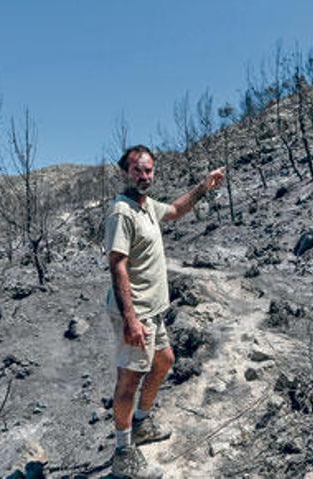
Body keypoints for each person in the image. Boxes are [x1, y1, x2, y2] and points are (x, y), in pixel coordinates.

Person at [104, 145, 224, 478]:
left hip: (152, 311)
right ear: (125, 172)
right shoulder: (122, 212)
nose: (144, 176)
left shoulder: (147, 207)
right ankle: (122, 453)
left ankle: (140, 424)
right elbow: (117, 266)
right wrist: (130, 319)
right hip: (135, 312)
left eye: (148, 170)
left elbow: (174, 209)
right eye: (137, 170)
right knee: (129, 380)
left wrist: (203, 186)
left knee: (165, 360)